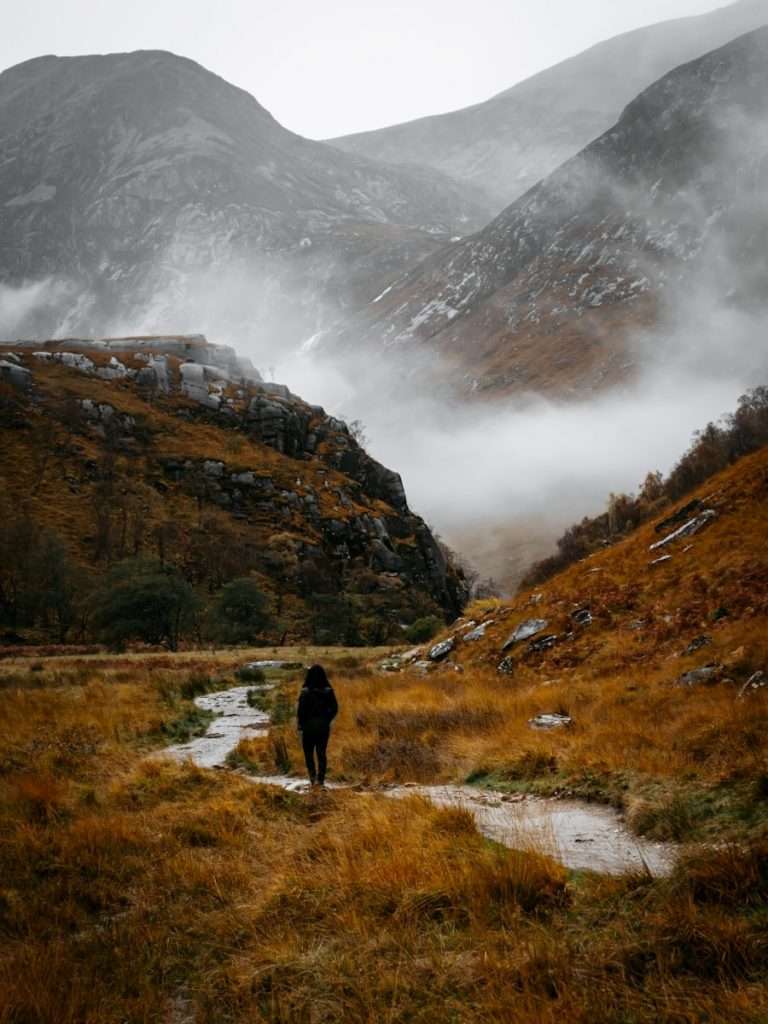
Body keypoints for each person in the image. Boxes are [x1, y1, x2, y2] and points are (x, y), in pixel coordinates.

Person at [297, 664, 338, 787]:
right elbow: (335, 708)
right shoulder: (328, 691)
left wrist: (301, 725)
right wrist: (327, 720)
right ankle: (321, 780)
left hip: (308, 728)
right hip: (323, 727)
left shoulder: (305, 692)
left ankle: (312, 779)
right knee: (321, 753)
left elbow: (300, 711)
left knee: (308, 754)